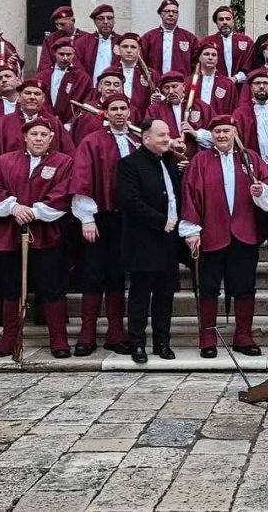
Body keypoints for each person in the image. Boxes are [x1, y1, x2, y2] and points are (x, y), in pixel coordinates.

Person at [179, 115, 268, 358]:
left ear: (235, 133)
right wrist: (191, 230)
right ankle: (208, 337)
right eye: (218, 131)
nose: (222, 135)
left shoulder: (250, 158)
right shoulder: (200, 161)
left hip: (243, 234)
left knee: (244, 287)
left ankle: (243, 336)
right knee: (208, 288)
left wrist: (260, 191)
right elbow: (189, 194)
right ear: (211, 135)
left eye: (227, 131)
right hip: (212, 235)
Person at [0, 117, 76, 359]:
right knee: (11, 289)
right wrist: (13, 207)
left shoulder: (63, 163)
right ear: (25, 137)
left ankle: (59, 340)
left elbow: (63, 195)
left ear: (51, 138)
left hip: (47, 235)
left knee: (52, 287)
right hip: (10, 235)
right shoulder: (5, 161)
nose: (38, 139)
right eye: (34, 134)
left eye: (44, 135)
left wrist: (35, 211)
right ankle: (8, 339)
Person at [70, 93, 140, 357]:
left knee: (116, 274)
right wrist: (86, 217)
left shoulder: (135, 141)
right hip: (99, 218)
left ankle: (115, 333)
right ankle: (87, 333)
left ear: (130, 112)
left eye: (123, 108)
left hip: (126, 220)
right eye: (114, 109)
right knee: (93, 273)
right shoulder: (92, 141)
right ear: (105, 112)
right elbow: (83, 175)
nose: (119, 113)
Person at [116, 118, 189, 363]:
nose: (166, 138)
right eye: (161, 135)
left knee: (164, 296)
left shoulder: (169, 162)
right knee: (140, 296)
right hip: (143, 241)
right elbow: (130, 201)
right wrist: (160, 221)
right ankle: (137, 344)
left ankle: (162, 343)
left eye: (167, 134)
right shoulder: (129, 164)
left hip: (168, 242)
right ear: (145, 138)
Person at [0, 80, 71, 155]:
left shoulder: (54, 123)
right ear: (19, 98)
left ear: (43, 99)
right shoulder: (2, 123)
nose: (32, 97)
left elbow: (68, 153)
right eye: (27, 93)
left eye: (37, 94)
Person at [144, 71, 213, 161]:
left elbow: (216, 136)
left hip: (198, 162)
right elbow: (149, 137)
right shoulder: (154, 109)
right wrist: (170, 143)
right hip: (167, 161)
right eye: (166, 88)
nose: (171, 91)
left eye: (174, 86)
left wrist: (196, 134)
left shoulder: (200, 106)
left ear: (184, 86)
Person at [35, 37, 92, 123]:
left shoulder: (82, 78)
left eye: (68, 55)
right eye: (61, 54)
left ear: (74, 54)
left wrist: (71, 123)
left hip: (70, 125)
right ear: (54, 53)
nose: (65, 58)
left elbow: (86, 104)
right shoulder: (42, 76)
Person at [189, 39, 238, 117]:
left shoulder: (227, 84)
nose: (210, 57)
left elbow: (233, 109)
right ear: (199, 58)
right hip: (194, 126)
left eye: (214, 55)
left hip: (219, 127)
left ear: (217, 59)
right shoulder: (189, 81)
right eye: (206, 54)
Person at [208, 5, 255, 82]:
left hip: (240, 87)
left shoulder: (246, 41)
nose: (225, 22)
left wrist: (236, 78)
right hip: (215, 85)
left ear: (233, 22)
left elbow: (251, 63)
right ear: (216, 23)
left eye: (228, 19)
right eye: (221, 19)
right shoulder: (207, 42)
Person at [78, 3, 125, 80]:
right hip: (91, 88)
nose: (106, 22)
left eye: (109, 18)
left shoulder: (122, 41)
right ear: (95, 21)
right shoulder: (83, 42)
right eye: (101, 18)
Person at [37, 5, 87, 72]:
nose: (59, 28)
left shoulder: (86, 38)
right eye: (57, 24)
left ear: (73, 21)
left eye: (62, 24)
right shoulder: (50, 39)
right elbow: (45, 66)